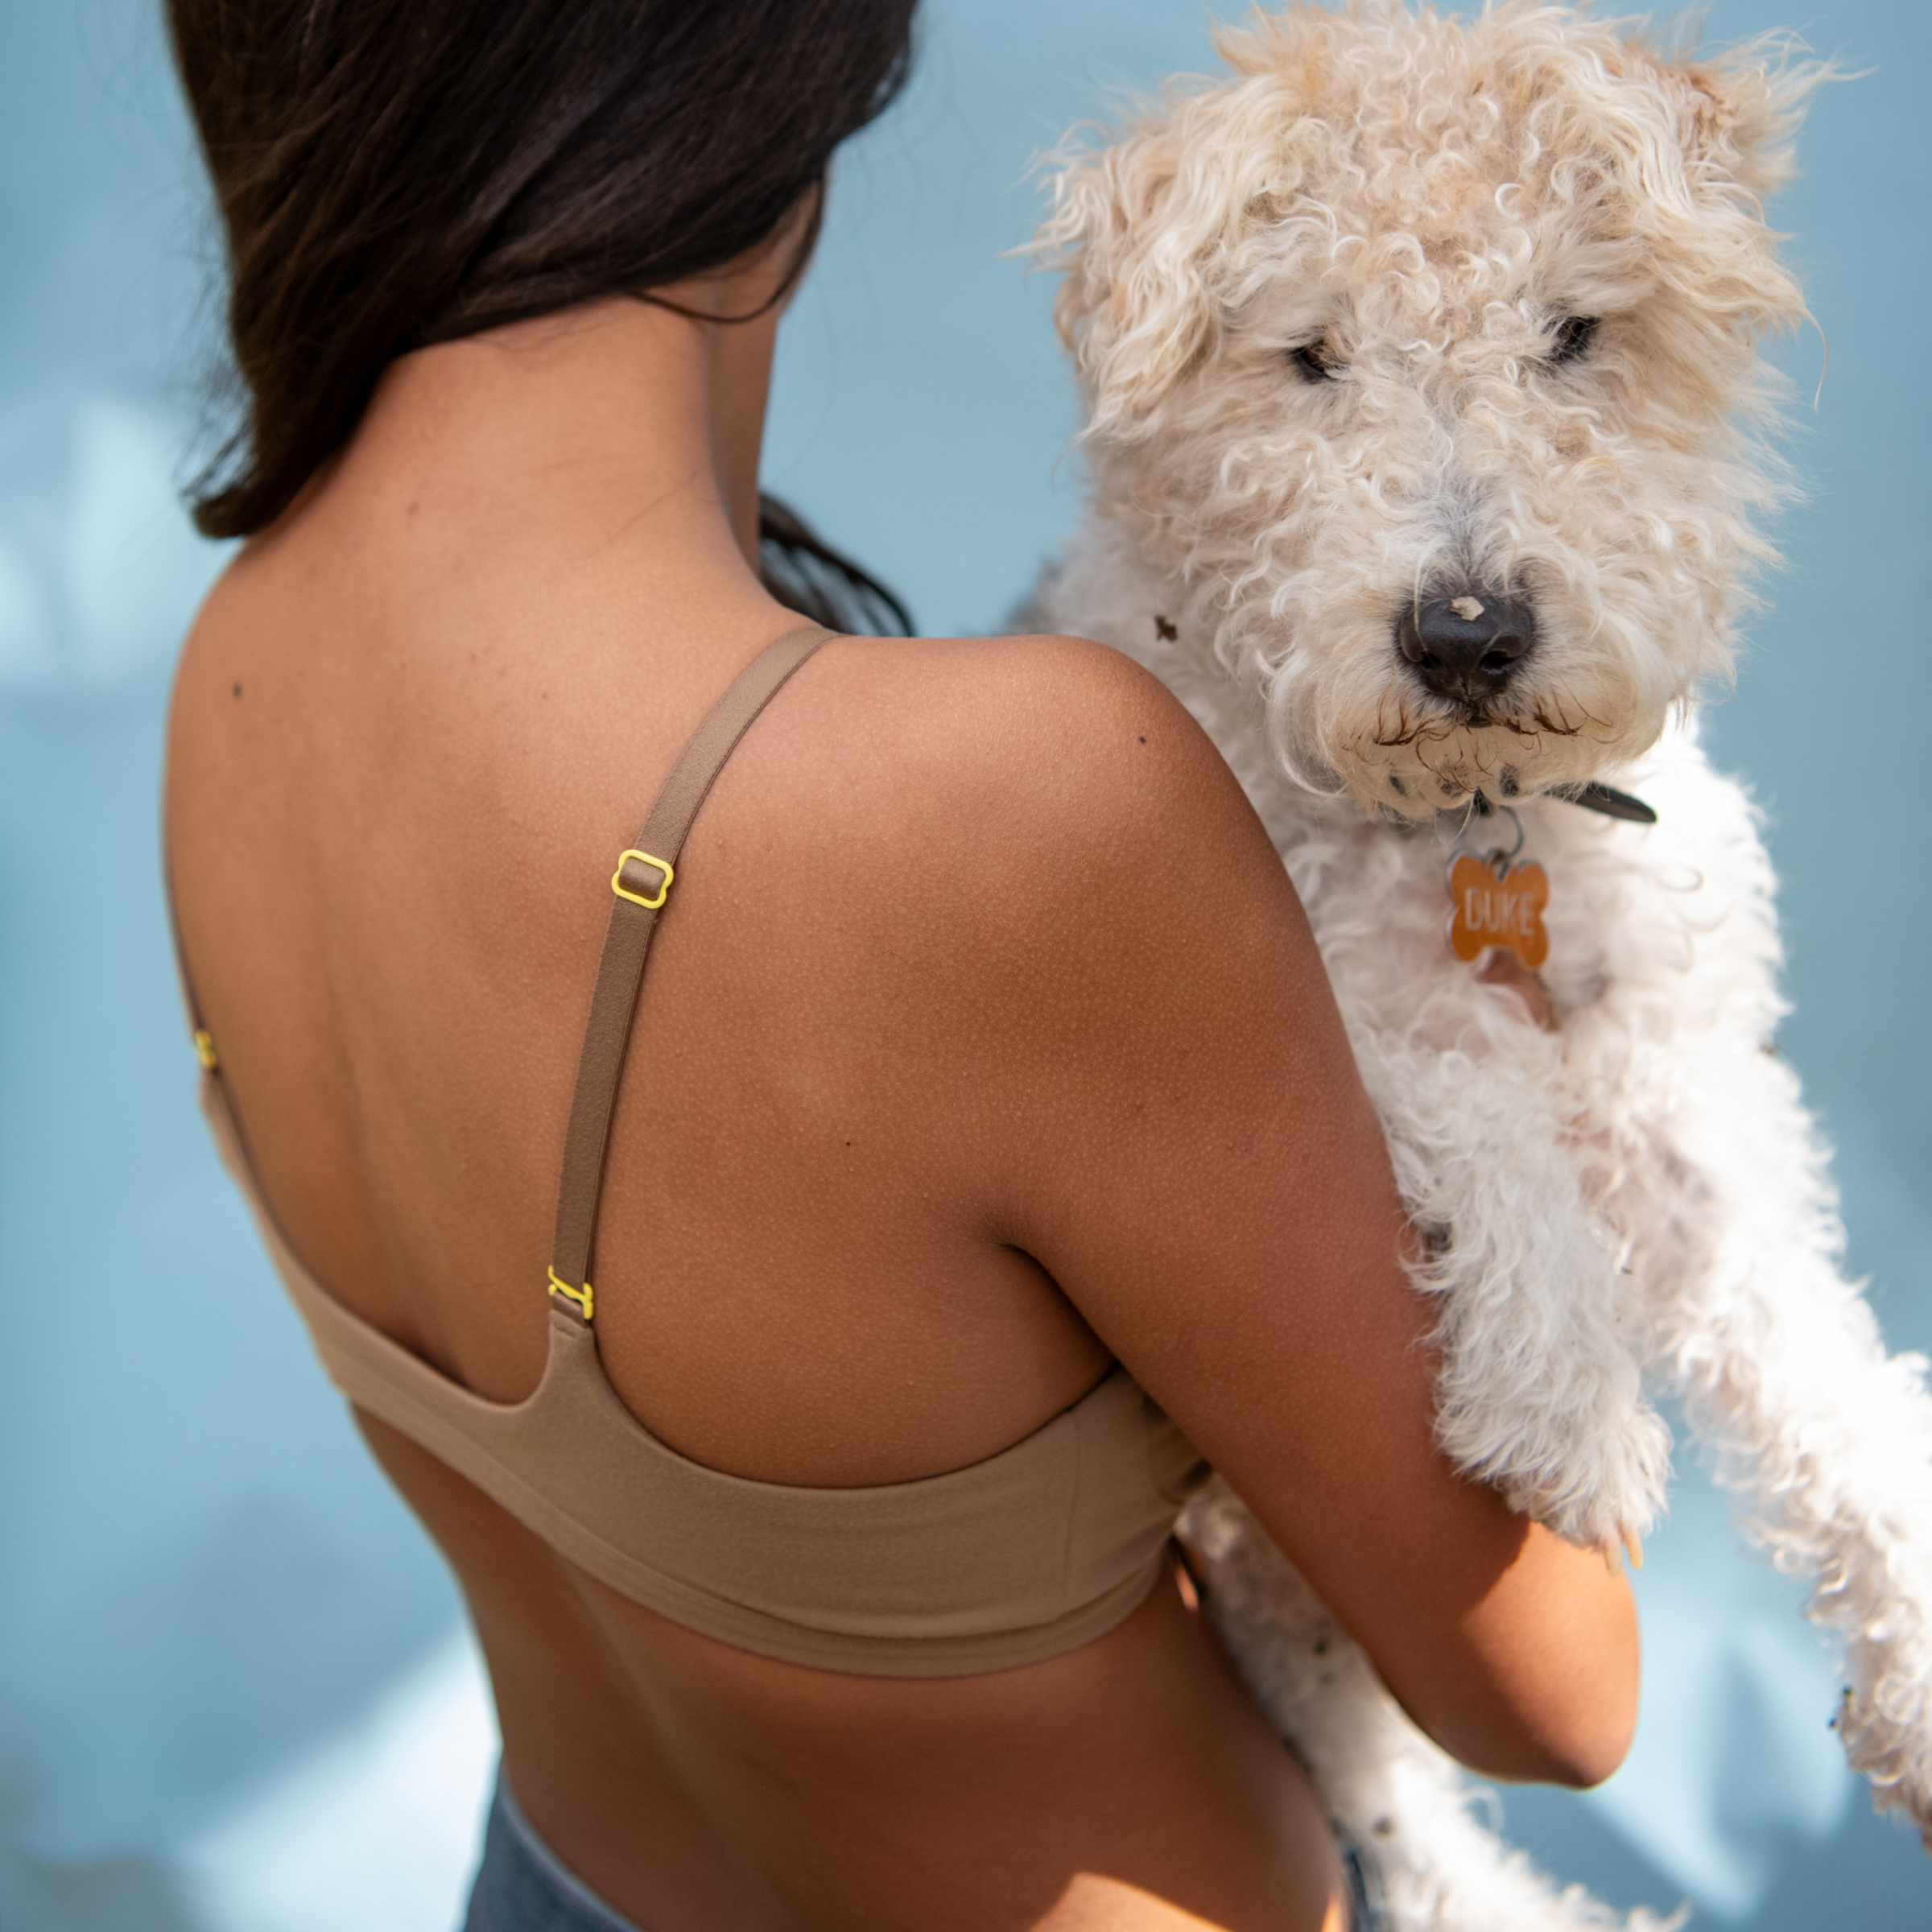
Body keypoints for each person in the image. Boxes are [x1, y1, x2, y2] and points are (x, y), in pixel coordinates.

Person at [159, 2, 1638, 1927]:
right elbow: (1556, 1694)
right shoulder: (1025, 814)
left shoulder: (241, 666)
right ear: (777, 69)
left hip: (553, 1881)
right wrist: (1517, 1011)